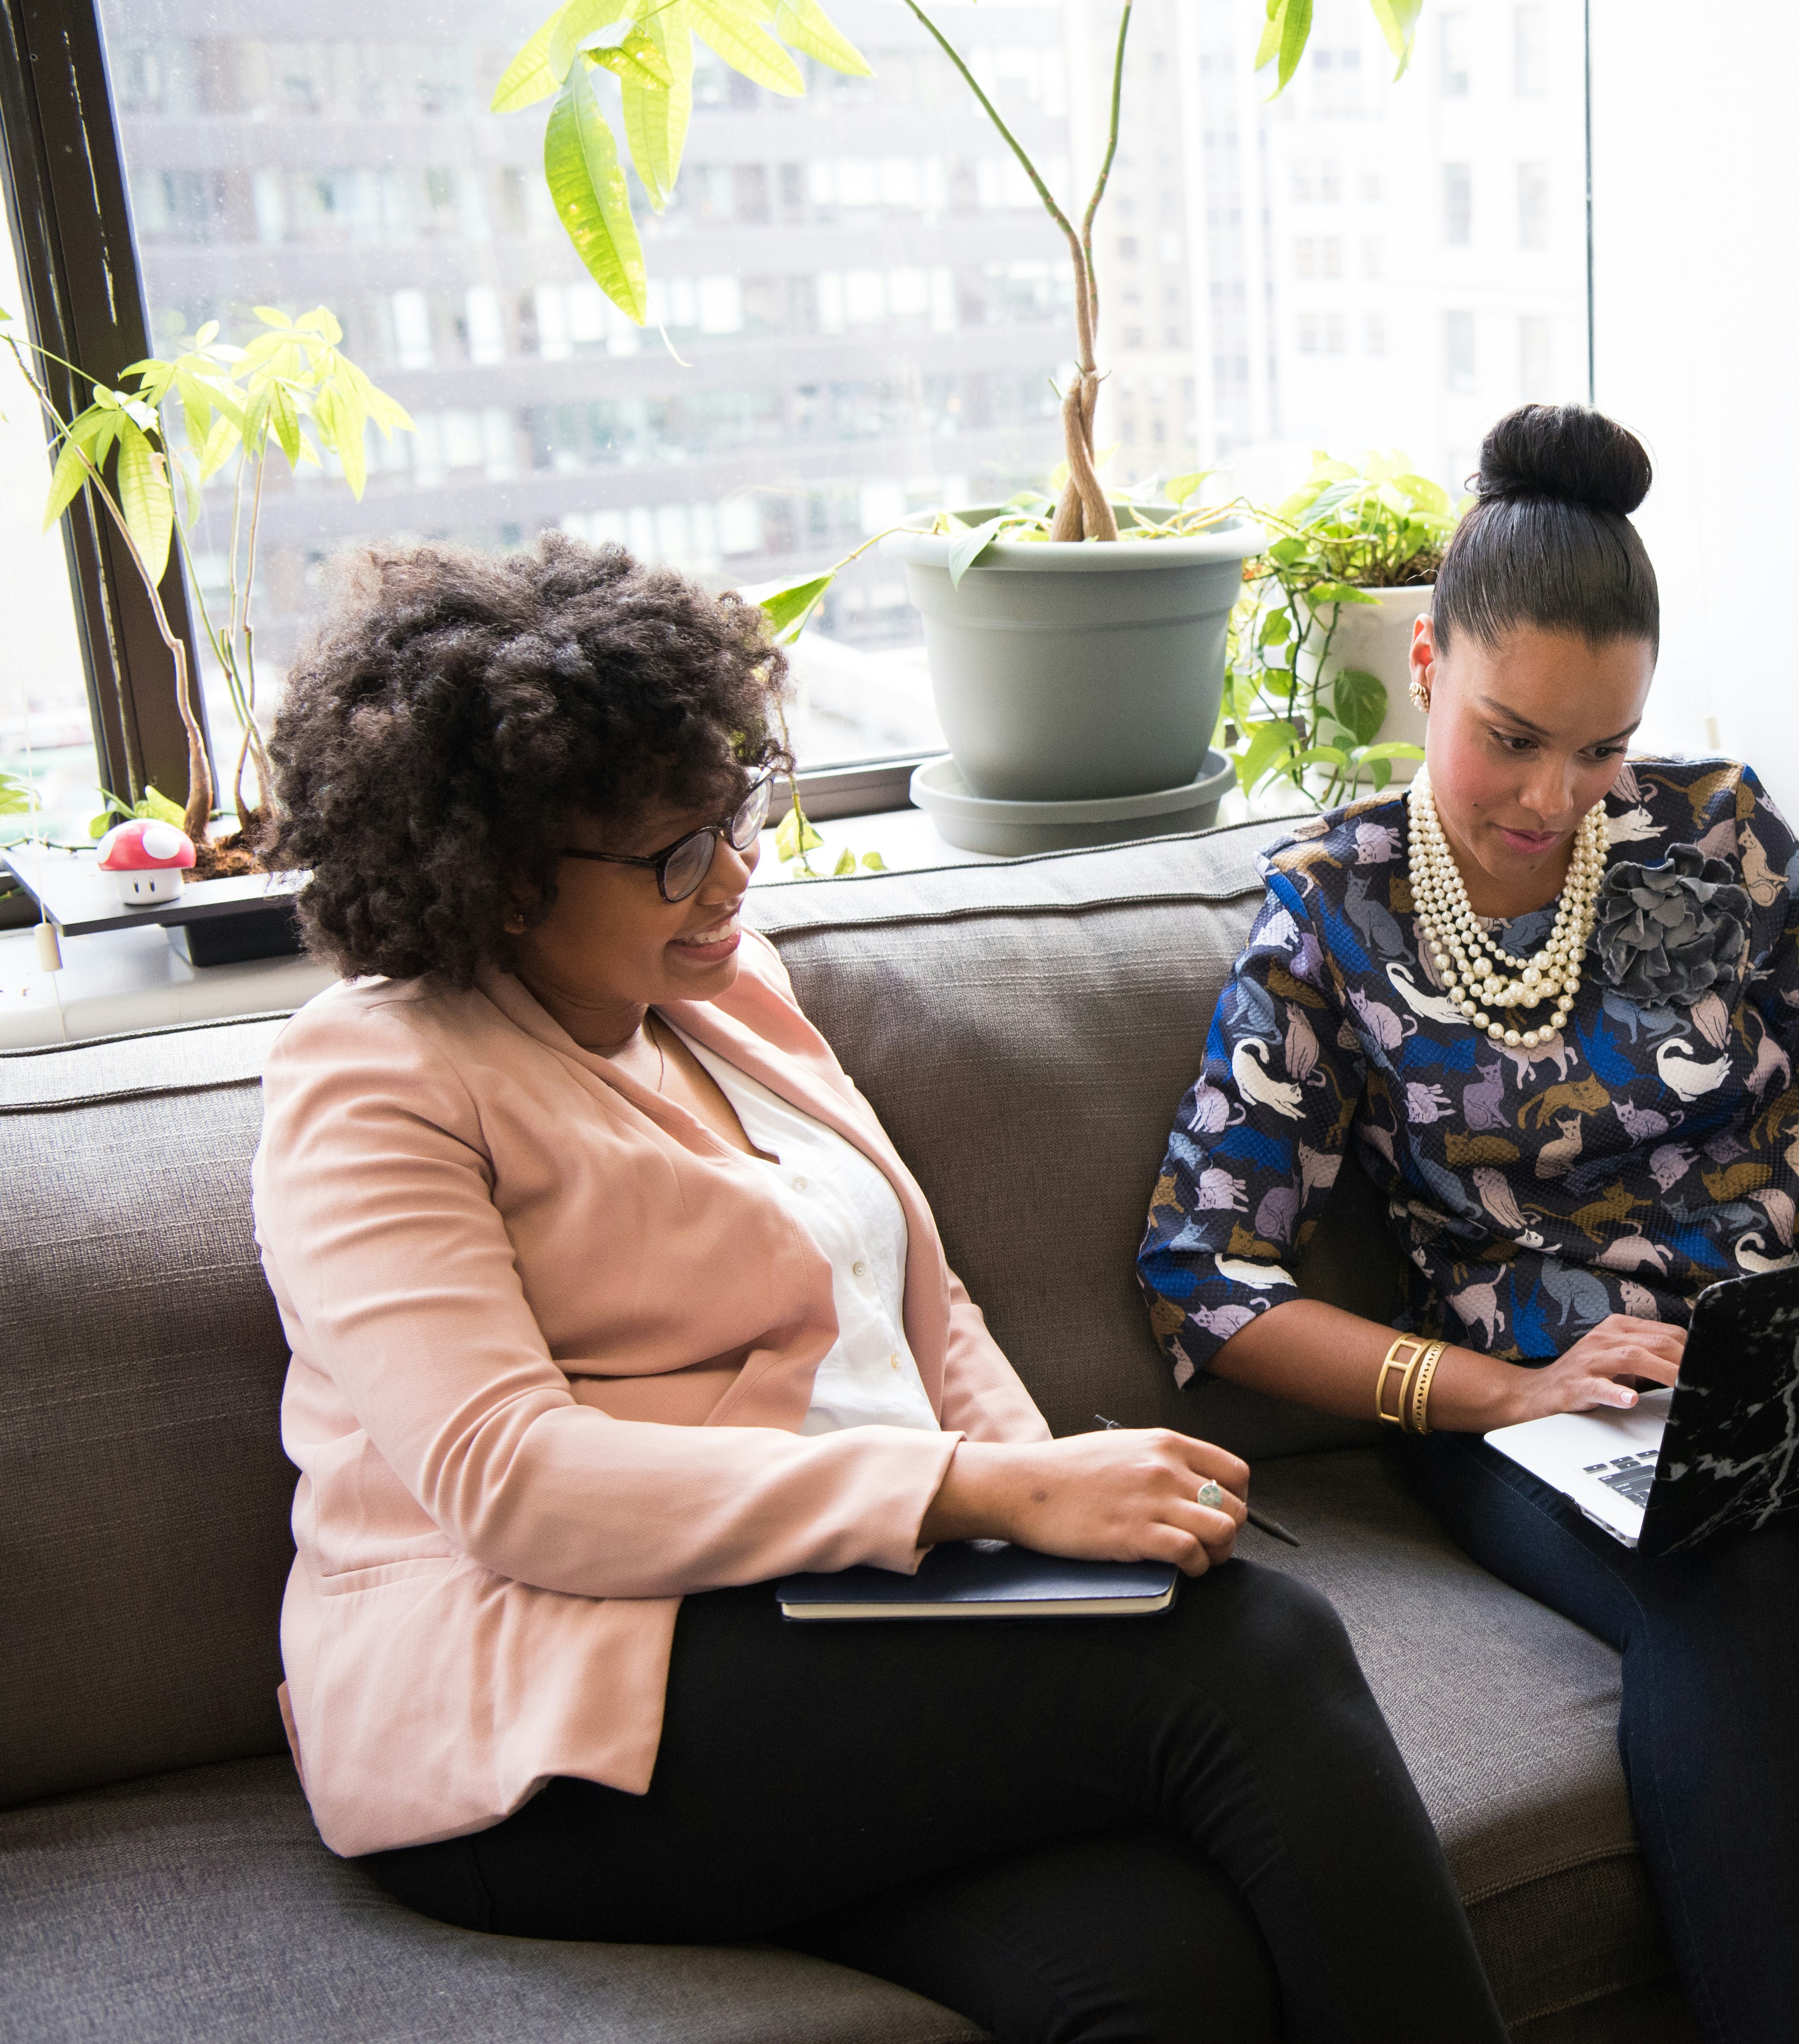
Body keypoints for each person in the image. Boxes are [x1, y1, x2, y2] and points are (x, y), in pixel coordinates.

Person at [253, 535, 1504, 2044]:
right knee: (1260, 1650)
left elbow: (926, 1305)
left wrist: (1066, 1519)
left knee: (1166, 1976)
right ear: (504, 882)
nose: (733, 871)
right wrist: (980, 1497)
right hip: (544, 1717)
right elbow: (508, 1481)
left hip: (823, 1631)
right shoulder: (376, 1078)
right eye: (671, 852)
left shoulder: (724, 994)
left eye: (735, 809)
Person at [1137, 404, 1799, 2043]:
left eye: (1602, 746)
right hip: (1550, 1406)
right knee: (1734, 1563)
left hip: (1795, 1355)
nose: (1558, 796)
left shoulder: (1722, 836)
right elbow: (1204, 1283)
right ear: (1425, 667)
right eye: (1513, 737)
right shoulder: (1328, 914)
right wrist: (1503, 1390)